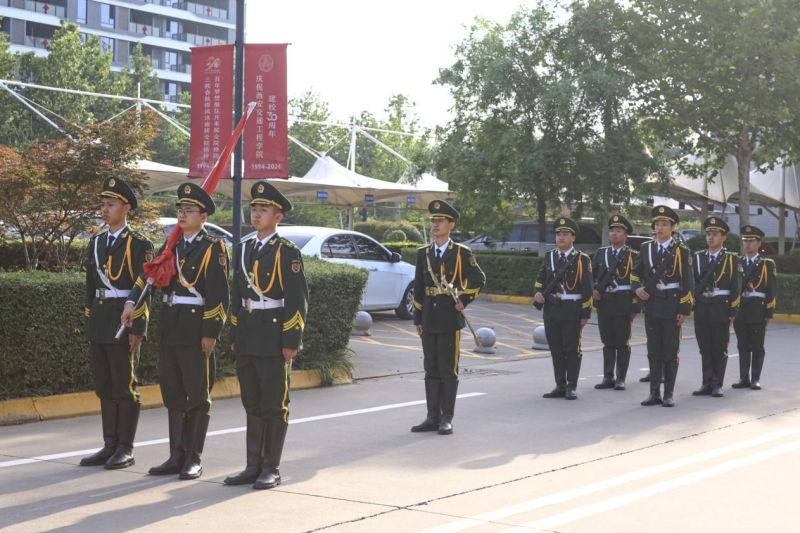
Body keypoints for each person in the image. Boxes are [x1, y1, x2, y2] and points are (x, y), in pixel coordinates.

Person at [122, 182, 230, 480]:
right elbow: (149, 275)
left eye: (189, 210)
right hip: (170, 325)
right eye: (180, 209)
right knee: (172, 392)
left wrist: (211, 332)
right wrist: (131, 302)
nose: (182, 214)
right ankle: (175, 455)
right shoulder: (171, 246)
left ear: (203, 216)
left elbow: (219, 295)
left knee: (197, 394)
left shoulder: (213, 247)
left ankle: (193, 457)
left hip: (195, 328)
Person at [224, 181, 308, 490]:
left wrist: (291, 340)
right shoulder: (243, 248)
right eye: (254, 209)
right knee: (252, 401)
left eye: (264, 210)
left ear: (278, 217)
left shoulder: (287, 251)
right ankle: (252, 465)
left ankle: (271, 467)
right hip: (248, 332)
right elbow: (237, 295)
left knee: (274, 403)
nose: (257, 214)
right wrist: (235, 333)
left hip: (274, 334)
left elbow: (297, 299)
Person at [80, 177, 154, 470]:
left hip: (124, 318)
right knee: (104, 384)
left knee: (124, 384)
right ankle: (109, 444)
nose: (105, 209)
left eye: (110, 204)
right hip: (101, 319)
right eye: (103, 204)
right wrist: (90, 324)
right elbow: (91, 286)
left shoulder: (139, 243)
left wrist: (139, 327)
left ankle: (125, 447)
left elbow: (145, 286)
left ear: (126, 208)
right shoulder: (96, 241)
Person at [411, 200, 485, 435]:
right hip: (429, 317)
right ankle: (432, 416)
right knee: (430, 368)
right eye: (433, 221)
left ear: (451, 225)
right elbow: (419, 288)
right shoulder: (423, 253)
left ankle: (447, 417)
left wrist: (464, 299)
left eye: (440, 221)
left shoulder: (461, 253)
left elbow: (479, 280)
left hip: (449, 317)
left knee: (448, 369)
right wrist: (418, 319)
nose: (435, 224)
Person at [632, 205, 694, 407]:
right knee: (653, 350)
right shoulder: (646, 248)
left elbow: (688, 282)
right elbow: (635, 273)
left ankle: (668, 394)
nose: (659, 227)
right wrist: (637, 288)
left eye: (664, 224)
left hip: (672, 305)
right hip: (652, 304)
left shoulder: (681, 251)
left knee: (670, 352)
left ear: (673, 227)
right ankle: (654, 393)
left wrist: (684, 309)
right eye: (657, 224)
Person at [534, 218, 593, 400]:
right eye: (559, 234)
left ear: (573, 237)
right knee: (556, 349)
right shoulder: (550, 256)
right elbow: (541, 278)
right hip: (552, 309)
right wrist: (537, 292)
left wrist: (585, 314)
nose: (561, 237)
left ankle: (571, 386)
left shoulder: (582, 259)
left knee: (572, 349)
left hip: (572, 309)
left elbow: (587, 289)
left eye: (565, 234)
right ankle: (560, 384)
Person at [691, 217, 741, 398]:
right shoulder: (697, 257)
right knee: (704, 347)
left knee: (719, 348)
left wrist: (733, 310)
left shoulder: (732, 259)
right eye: (708, 234)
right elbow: (692, 282)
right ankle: (706, 383)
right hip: (702, 307)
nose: (711, 237)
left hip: (721, 307)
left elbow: (736, 287)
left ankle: (717, 384)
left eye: (715, 234)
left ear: (723, 237)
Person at [592, 215, 640, 391]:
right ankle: (608, 377)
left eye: (618, 231)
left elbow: (639, 282)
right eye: (612, 230)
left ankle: (621, 378)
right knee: (607, 342)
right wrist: (593, 290)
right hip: (605, 302)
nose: (614, 234)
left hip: (623, 303)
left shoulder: (634, 256)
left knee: (622, 342)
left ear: (626, 235)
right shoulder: (601, 253)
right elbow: (590, 276)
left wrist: (635, 307)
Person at [733, 225, 777, 390]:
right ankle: (743, 378)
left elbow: (771, 290)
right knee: (742, 344)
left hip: (758, 309)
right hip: (741, 309)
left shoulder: (766, 264)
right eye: (745, 241)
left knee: (757, 345)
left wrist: (769, 313)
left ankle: (755, 379)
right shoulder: (737, 262)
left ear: (759, 243)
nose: (747, 244)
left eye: (751, 241)